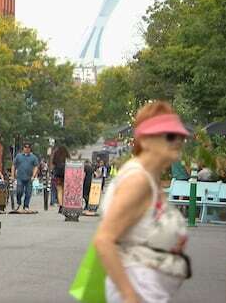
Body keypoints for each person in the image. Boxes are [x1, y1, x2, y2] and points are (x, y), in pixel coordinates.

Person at [94, 101, 191, 303]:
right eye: (170, 136)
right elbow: (104, 240)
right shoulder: (138, 181)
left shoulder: (149, 177)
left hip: (148, 290)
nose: (178, 141)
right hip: (137, 290)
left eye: (181, 136)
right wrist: (130, 295)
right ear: (145, 140)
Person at [12, 143, 39, 212]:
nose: (27, 149)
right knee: (19, 191)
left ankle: (26, 206)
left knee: (28, 192)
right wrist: (12, 176)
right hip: (20, 177)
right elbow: (14, 165)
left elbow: (36, 166)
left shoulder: (33, 157)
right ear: (23, 148)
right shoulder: (18, 156)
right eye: (25, 147)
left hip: (29, 178)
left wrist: (33, 175)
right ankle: (18, 203)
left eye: (28, 147)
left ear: (30, 149)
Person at [50, 145, 70, 213]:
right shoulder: (66, 155)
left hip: (57, 172)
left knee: (59, 189)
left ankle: (61, 206)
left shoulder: (56, 154)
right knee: (65, 189)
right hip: (66, 172)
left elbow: (53, 163)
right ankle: (65, 205)